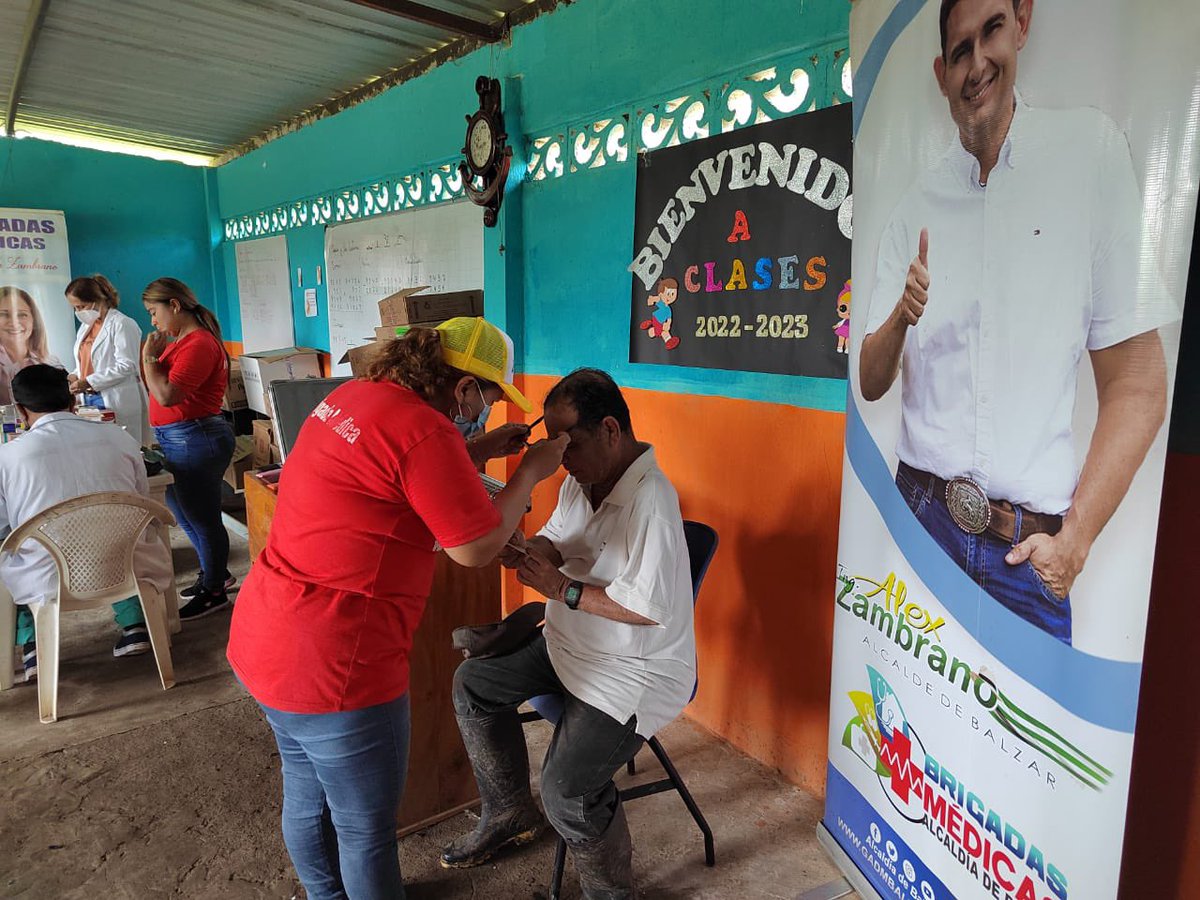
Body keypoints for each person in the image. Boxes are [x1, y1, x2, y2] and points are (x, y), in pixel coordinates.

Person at [857, 0, 1174, 644]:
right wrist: (900, 316)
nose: (978, 64)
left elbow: (1138, 384)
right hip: (920, 523)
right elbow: (869, 377)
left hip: (1028, 558)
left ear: (1022, 22)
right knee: (903, 738)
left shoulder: (1089, 156)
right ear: (941, 73)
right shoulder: (915, 207)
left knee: (1028, 745)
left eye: (992, 31)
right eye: (959, 50)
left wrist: (1075, 543)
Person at [226, 317, 568, 900]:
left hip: (266, 638)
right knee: (364, 832)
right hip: (337, 662)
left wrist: (478, 448)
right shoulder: (425, 434)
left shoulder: (354, 397)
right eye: (487, 398)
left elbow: (391, 463)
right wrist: (531, 472)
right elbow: (476, 547)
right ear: (461, 388)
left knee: (306, 794)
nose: (485, 410)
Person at [442, 368, 696, 900]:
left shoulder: (653, 500)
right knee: (473, 685)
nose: (560, 458)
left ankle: (610, 893)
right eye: (553, 444)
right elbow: (560, 537)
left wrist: (561, 590)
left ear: (610, 429)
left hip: (634, 670)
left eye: (569, 444)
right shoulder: (585, 478)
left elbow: (646, 611)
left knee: (567, 792)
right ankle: (509, 810)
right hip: (570, 644)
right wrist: (530, 551)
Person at [0, 365, 170, 680]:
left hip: (47, 578)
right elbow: (141, 498)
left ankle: (32, 643)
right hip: (124, 566)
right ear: (73, 402)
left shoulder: (8, 457)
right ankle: (135, 625)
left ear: (21, 411)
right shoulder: (119, 439)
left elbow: (2, 527)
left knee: (9, 548)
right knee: (120, 533)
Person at [141, 278, 236, 620]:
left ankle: (214, 591)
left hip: (195, 438)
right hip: (177, 437)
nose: (153, 321)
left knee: (203, 518)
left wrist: (149, 357)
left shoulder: (199, 344)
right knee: (185, 515)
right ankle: (215, 573)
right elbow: (157, 387)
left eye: (154, 312)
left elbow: (166, 394)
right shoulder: (181, 341)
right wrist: (152, 361)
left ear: (175, 306)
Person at [65, 274, 150, 445]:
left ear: (98, 300)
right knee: (97, 446)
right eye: (75, 308)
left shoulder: (122, 324)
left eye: (82, 306)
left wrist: (87, 381)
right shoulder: (86, 327)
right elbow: (88, 362)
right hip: (88, 398)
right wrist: (74, 376)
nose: (78, 312)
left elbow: (127, 365)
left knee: (122, 447)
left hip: (115, 397)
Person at [0, 286, 62, 405]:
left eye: (22, 315)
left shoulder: (51, 363)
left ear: (34, 320)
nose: (14, 322)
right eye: (3, 314)